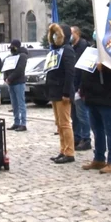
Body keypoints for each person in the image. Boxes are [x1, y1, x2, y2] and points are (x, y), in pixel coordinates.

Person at [80, 61, 111, 174]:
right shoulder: (92, 51)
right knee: (97, 130)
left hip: (107, 98)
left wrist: (105, 67)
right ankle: (99, 158)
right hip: (92, 97)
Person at [46, 23, 77, 164]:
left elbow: (70, 73)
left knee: (65, 123)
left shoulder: (67, 50)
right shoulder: (55, 51)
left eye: (56, 34)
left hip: (62, 92)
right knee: (59, 124)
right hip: (54, 91)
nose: (54, 37)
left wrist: (66, 92)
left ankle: (69, 152)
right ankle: (62, 150)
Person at [70, 26, 91, 150]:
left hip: (80, 87)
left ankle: (86, 138)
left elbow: (82, 69)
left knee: (82, 115)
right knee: (75, 115)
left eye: (72, 33)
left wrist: (80, 87)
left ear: (77, 33)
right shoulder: (73, 48)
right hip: (73, 86)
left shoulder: (83, 47)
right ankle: (77, 138)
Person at [4, 40, 28, 131]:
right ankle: (16, 122)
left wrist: (10, 78)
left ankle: (23, 123)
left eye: (12, 47)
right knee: (14, 104)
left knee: (21, 103)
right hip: (11, 83)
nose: (11, 49)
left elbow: (20, 69)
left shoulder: (22, 56)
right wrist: (6, 77)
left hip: (18, 82)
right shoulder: (11, 57)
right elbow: (6, 68)